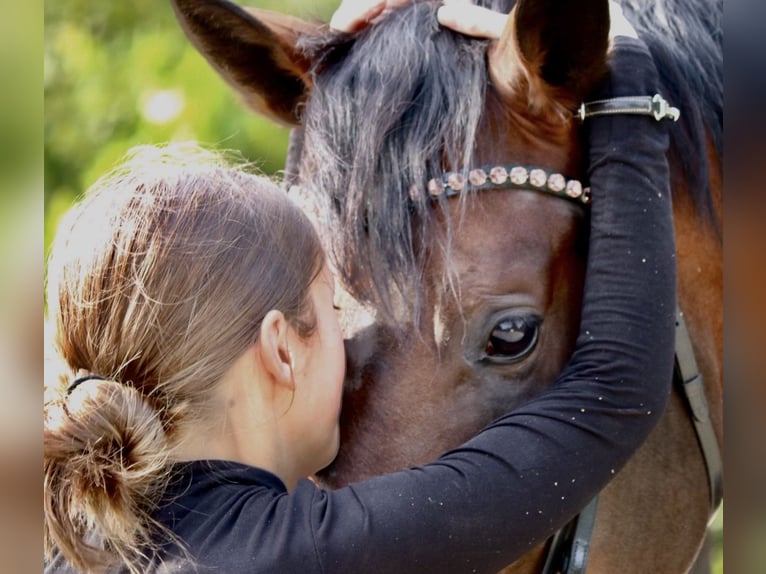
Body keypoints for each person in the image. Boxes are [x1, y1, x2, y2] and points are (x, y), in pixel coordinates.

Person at [44, 2, 677, 573]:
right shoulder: (323, 550)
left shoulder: (67, 548)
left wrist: (340, 104)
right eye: (340, 316)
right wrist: (625, 66)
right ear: (281, 349)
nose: (358, 348)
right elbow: (615, 389)